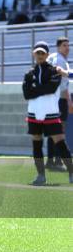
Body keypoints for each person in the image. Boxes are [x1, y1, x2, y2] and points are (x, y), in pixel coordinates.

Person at [23, 41, 73, 185]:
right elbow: (26, 94)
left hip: (51, 113)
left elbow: (50, 89)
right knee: (36, 144)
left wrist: (35, 89)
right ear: (33, 54)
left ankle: (71, 172)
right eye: (37, 53)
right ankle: (40, 176)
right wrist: (40, 89)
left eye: (42, 53)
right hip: (33, 114)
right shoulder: (29, 73)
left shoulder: (54, 71)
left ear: (47, 54)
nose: (39, 55)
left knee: (60, 143)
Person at [46, 37, 71, 171]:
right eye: (64, 45)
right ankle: (56, 160)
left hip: (56, 99)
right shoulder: (59, 59)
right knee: (58, 130)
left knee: (54, 130)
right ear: (58, 47)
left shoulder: (56, 57)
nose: (67, 48)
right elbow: (58, 75)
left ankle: (53, 160)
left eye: (68, 45)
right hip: (58, 100)